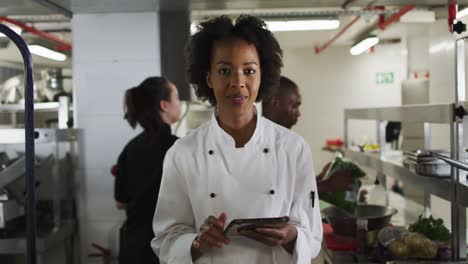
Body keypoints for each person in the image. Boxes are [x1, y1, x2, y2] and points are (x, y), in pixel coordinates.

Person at [151, 15, 322, 263]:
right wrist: (196, 243)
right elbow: (166, 239)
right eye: (224, 70)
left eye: (249, 70)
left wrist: (292, 235)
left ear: (262, 75)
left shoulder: (293, 148)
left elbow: (312, 236)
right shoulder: (183, 153)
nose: (238, 82)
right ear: (208, 77)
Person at [113, 76, 182, 264]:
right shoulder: (178, 148)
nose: (180, 102)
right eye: (176, 96)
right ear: (164, 105)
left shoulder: (130, 148)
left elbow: (120, 201)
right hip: (164, 247)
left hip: (133, 246)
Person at [262, 76, 355, 193]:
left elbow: (291, 186)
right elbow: (275, 195)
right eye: (295, 106)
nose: (299, 114)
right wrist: (328, 185)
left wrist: (321, 178)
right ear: (275, 103)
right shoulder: (260, 142)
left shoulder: (281, 140)